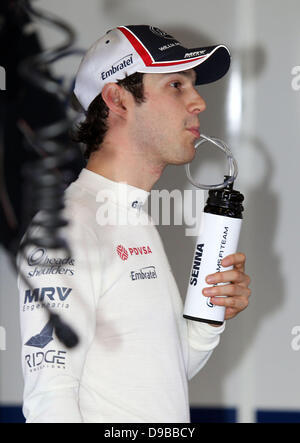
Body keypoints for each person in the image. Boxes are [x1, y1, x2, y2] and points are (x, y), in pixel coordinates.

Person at [18, 25, 251, 423]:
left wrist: (209, 315)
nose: (198, 103)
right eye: (177, 85)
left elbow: (158, 379)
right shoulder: (69, 225)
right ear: (118, 99)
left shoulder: (131, 216)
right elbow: (50, 400)